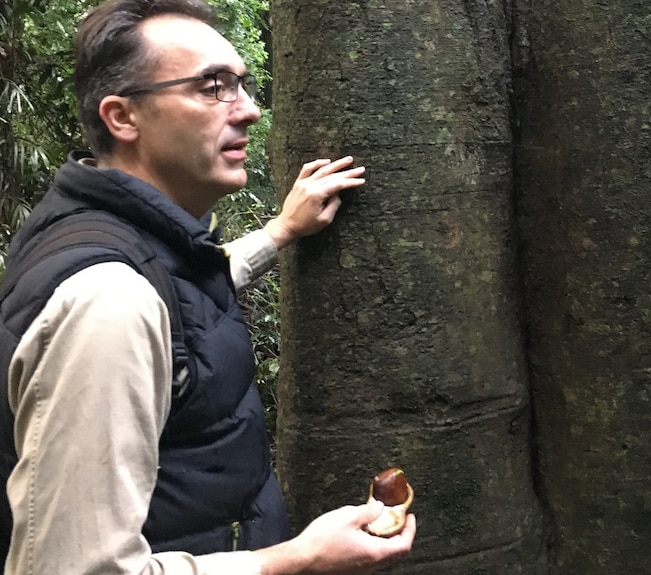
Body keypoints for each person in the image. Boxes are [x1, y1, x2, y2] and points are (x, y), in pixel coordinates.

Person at [0, 0, 416, 573]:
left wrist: (279, 233)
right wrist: (295, 559)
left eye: (242, 85)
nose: (248, 110)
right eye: (213, 87)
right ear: (124, 118)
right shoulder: (109, 302)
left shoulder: (98, 227)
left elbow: (180, 297)